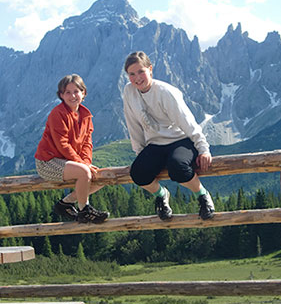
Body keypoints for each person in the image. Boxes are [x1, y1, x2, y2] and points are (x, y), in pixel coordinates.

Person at [123, 51, 215, 221]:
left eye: (141, 71)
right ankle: (162, 194)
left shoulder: (166, 92)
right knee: (138, 173)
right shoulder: (129, 92)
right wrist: (141, 154)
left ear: (150, 69)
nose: (137, 78)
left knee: (178, 168)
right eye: (132, 74)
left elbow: (187, 122)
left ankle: (203, 195)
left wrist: (203, 149)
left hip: (180, 140)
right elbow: (132, 124)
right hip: (155, 144)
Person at [35, 74, 109, 223]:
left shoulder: (86, 116)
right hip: (47, 162)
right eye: (67, 92)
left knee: (102, 177)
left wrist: (86, 162)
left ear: (83, 93)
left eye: (76, 91)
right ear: (61, 95)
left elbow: (87, 144)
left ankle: (66, 203)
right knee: (84, 172)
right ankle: (84, 210)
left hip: (68, 162)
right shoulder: (57, 114)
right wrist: (83, 165)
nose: (72, 96)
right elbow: (62, 144)